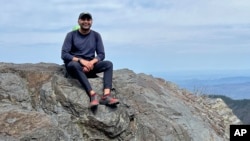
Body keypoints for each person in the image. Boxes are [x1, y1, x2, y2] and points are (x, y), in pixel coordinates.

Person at [61, 12, 119, 108]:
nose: (86, 22)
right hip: (76, 66)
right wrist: (81, 61)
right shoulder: (71, 35)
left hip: (90, 65)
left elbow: (101, 54)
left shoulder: (96, 35)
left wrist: (91, 63)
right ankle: (92, 94)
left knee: (109, 64)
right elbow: (64, 54)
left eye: (88, 20)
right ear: (79, 21)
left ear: (91, 22)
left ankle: (106, 96)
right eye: (83, 19)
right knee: (73, 65)